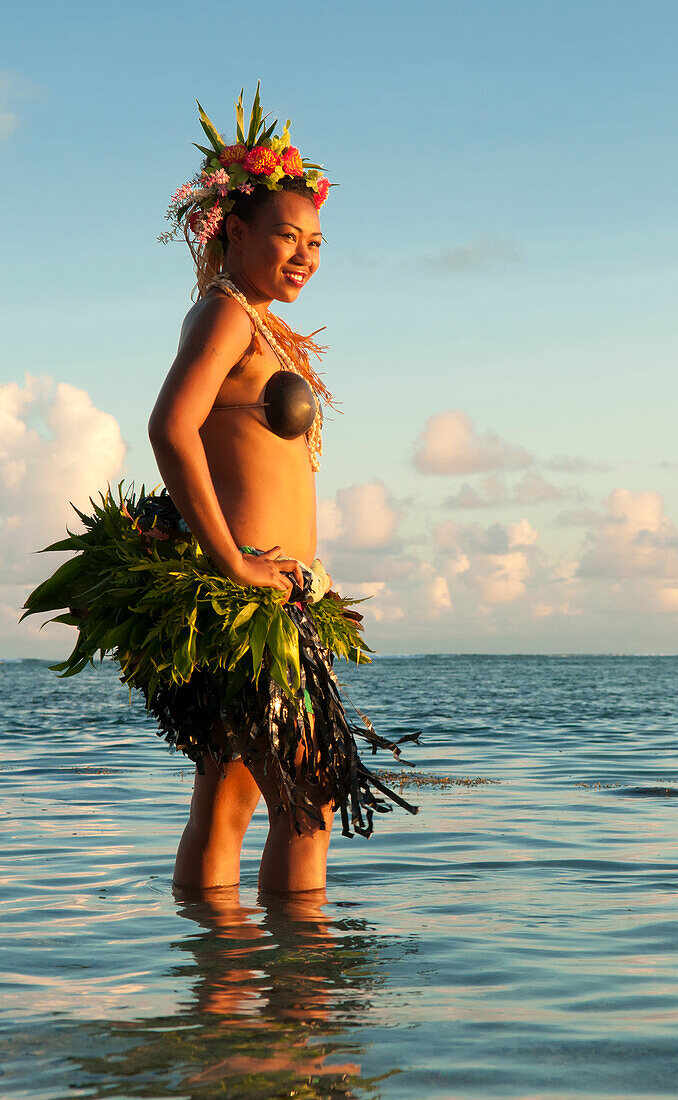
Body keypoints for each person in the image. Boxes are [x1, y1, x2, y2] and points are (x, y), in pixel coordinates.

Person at [145, 87, 417, 893]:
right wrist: (233, 563)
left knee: (225, 802)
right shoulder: (226, 314)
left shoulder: (251, 320)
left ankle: (219, 1001)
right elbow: (170, 427)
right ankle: (299, 1006)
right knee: (309, 805)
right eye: (286, 236)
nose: (305, 254)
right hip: (248, 596)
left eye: (317, 241)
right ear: (233, 230)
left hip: (276, 598)